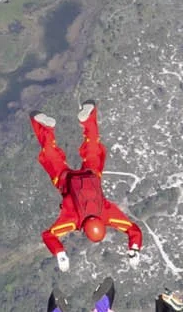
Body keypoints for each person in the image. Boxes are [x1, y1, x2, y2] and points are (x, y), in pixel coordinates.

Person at [31, 105, 144, 267]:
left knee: (93, 150)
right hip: (65, 180)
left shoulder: (107, 216)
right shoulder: (73, 221)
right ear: (84, 229)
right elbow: (49, 235)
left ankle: (88, 119)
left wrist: (135, 248)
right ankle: (45, 127)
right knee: (50, 156)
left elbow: (133, 229)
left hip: (91, 175)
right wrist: (60, 253)